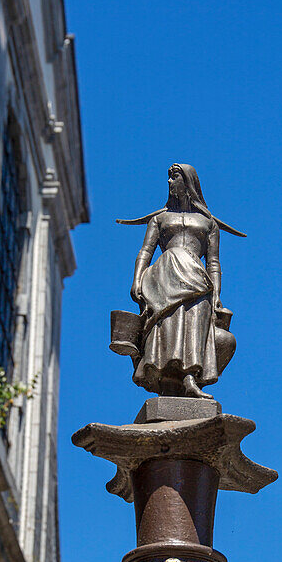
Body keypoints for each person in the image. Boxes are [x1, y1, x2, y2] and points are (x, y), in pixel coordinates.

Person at [117, 163, 244, 398]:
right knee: (165, 322)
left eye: (173, 177)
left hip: (197, 279)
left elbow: (213, 263)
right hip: (164, 275)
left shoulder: (209, 224)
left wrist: (216, 295)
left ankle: (190, 377)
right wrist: (136, 279)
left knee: (196, 321)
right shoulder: (160, 218)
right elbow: (146, 251)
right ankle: (167, 378)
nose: (168, 182)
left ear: (187, 182)